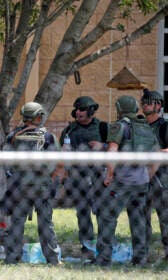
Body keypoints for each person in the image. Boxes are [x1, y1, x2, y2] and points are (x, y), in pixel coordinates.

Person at [94, 95, 159, 266]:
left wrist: (109, 175)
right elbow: (156, 157)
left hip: (121, 181)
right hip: (142, 182)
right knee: (138, 221)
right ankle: (140, 259)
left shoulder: (119, 126)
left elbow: (112, 152)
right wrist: (148, 176)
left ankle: (103, 258)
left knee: (107, 217)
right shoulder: (145, 127)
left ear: (119, 108)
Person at [0, 101, 63, 265]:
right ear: (38, 116)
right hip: (42, 186)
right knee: (45, 223)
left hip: (20, 186)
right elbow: (57, 162)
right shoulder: (48, 137)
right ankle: (53, 258)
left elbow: (6, 161)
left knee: (17, 221)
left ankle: (12, 258)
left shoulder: (13, 137)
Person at [59, 96, 108, 254]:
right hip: (77, 177)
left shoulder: (102, 127)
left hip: (99, 175)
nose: (78, 112)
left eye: (82, 109)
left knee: (102, 211)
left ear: (91, 111)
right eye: (77, 109)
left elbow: (117, 147)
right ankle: (87, 245)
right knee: (82, 212)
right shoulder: (69, 129)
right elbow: (63, 149)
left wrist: (103, 145)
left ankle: (104, 244)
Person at [140, 89, 168, 261]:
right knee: (141, 219)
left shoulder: (165, 126)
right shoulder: (140, 127)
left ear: (158, 105)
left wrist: (156, 152)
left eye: (148, 102)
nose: (144, 104)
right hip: (141, 179)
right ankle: (142, 252)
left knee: (165, 219)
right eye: (143, 101)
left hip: (162, 180)